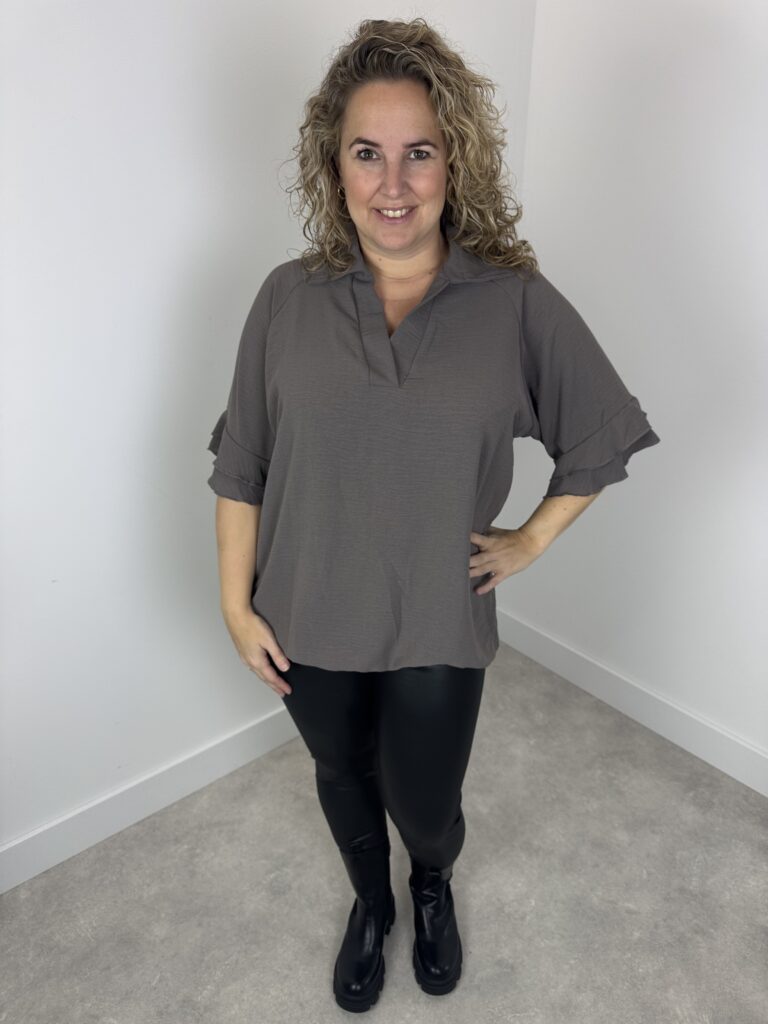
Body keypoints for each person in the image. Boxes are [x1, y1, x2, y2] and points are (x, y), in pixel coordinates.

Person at [206, 17, 660, 1013]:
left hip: (439, 621)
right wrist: (237, 607)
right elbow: (242, 464)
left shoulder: (512, 303)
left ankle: (429, 879)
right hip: (306, 611)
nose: (394, 183)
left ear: (456, 159)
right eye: (367, 153)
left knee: (425, 802)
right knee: (340, 772)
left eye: (420, 152)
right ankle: (372, 903)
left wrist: (532, 537)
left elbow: (600, 431)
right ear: (333, 165)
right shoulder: (285, 299)